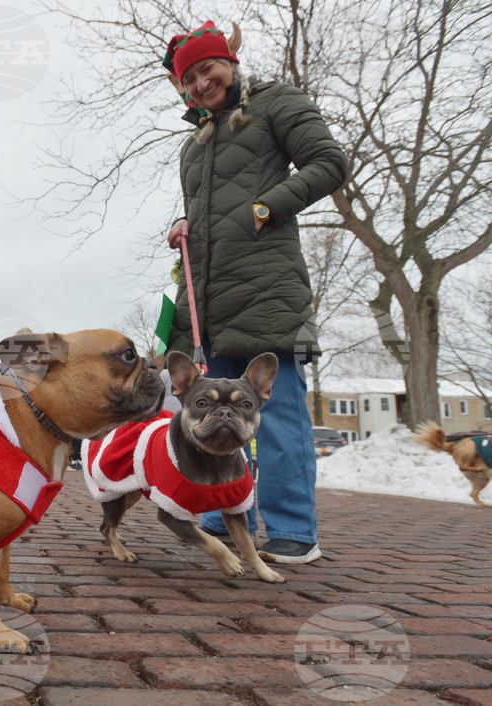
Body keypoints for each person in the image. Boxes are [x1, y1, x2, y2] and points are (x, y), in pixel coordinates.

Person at [162, 20, 347, 564]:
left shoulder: (276, 101)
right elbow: (209, 211)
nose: (200, 83)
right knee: (213, 412)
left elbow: (329, 162)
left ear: (230, 63)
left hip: (267, 286)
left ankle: (293, 529)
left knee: (278, 409)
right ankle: (222, 514)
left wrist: (264, 207)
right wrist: (185, 223)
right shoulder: (194, 145)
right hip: (211, 300)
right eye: (188, 78)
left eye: (207, 68)